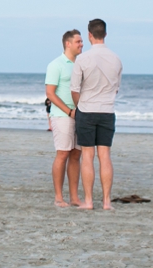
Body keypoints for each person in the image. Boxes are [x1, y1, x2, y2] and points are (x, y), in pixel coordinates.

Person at [70, 19, 122, 210]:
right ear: (105, 34)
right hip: (107, 110)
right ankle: (107, 201)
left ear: (90, 35)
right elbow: (116, 88)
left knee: (88, 155)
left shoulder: (83, 59)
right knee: (105, 155)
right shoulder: (116, 59)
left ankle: (89, 201)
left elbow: (74, 89)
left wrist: (80, 106)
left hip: (87, 109)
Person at [45, 29, 84, 208]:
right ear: (68, 44)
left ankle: (74, 197)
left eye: (82, 42)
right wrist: (69, 112)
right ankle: (59, 197)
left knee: (76, 155)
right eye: (78, 42)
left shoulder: (82, 63)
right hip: (63, 115)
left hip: (81, 114)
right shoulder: (56, 64)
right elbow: (50, 93)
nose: (81, 45)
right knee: (63, 153)